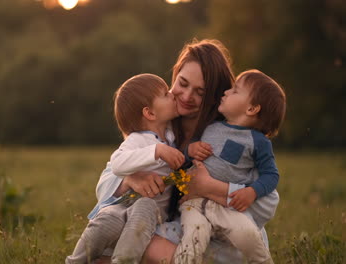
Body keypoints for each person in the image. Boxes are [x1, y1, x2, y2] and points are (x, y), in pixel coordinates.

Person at [89, 39, 279, 264]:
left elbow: (269, 202)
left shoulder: (227, 134)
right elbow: (105, 185)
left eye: (200, 92)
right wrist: (131, 179)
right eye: (183, 83)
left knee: (134, 242)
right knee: (114, 234)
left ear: (216, 96)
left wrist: (210, 188)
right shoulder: (159, 124)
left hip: (222, 239)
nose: (187, 96)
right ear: (175, 75)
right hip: (175, 228)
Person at [65, 73, 186, 264]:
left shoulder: (172, 135)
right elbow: (118, 163)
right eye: (165, 94)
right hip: (122, 203)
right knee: (107, 219)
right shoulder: (138, 140)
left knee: (145, 207)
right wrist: (156, 151)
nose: (172, 94)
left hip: (149, 209)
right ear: (150, 113)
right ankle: (75, 261)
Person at [175, 69, 286, 263]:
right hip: (193, 203)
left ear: (252, 109)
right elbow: (184, 163)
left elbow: (271, 175)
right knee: (193, 239)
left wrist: (252, 191)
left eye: (235, 91)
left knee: (249, 235)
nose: (226, 92)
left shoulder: (258, 141)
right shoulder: (210, 127)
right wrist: (190, 151)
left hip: (227, 208)